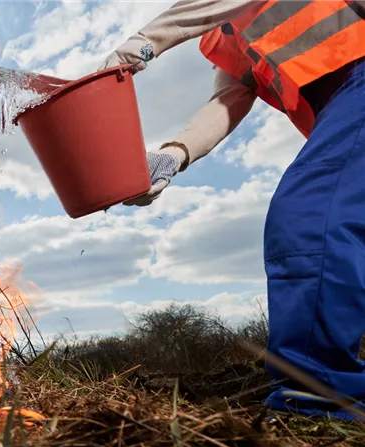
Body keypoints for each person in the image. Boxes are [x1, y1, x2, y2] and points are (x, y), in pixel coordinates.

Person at [99, 0, 365, 421]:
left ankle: (318, 394)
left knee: (310, 217)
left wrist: (137, 50)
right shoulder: (223, 35)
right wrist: (172, 157)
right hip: (342, 107)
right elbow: (228, 100)